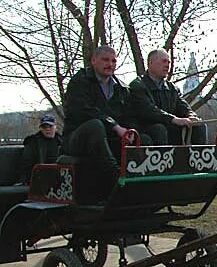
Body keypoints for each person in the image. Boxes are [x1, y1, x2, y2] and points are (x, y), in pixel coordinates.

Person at [62, 45, 165, 188]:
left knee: (144, 138)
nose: (110, 65)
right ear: (93, 61)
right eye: (105, 60)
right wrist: (115, 127)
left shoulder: (121, 89)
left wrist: (131, 132)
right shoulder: (80, 82)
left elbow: (129, 116)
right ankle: (115, 178)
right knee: (95, 125)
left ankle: (147, 180)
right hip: (78, 137)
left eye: (113, 61)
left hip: (110, 139)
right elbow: (84, 111)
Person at [130, 49, 207, 145]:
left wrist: (191, 116)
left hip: (170, 128)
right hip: (146, 129)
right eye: (164, 61)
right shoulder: (138, 85)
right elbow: (149, 111)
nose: (167, 65)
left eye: (169, 62)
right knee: (159, 129)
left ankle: (197, 158)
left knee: (199, 125)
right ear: (151, 63)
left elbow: (183, 106)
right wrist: (173, 119)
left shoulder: (172, 88)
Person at [20, 114, 62, 184]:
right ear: (40, 128)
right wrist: (24, 180)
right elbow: (26, 163)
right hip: (38, 178)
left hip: (58, 177)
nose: (47, 129)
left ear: (55, 127)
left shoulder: (62, 142)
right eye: (44, 127)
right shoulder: (32, 142)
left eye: (50, 126)